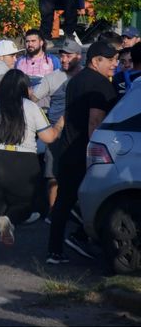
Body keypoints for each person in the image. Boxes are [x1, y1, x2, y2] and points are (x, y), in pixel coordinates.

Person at [0, 70, 63, 269]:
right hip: (24, 162)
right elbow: (48, 138)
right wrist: (60, 124)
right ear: (24, 87)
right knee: (26, 204)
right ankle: (10, 219)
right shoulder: (32, 108)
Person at [47, 41, 118, 264]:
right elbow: (94, 122)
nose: (114, 65)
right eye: (111, 60)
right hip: (87, 152)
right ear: (96, 60)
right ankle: (80, 237)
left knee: (64, 200)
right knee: (97, 197)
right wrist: (96, 154)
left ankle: (54, 250)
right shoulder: (100, 85)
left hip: (68, 148)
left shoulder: (76, 80)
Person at [30, 39, 83, 215]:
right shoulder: (52, 78)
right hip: (56, 134)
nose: (64, 59)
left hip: (79, 133)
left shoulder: (85, 77)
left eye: (68, 55)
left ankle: (76, 212)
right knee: (53, 175)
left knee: (77, 174)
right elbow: (32, 101)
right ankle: (54, 214)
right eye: (62, 56)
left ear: (79, 56)